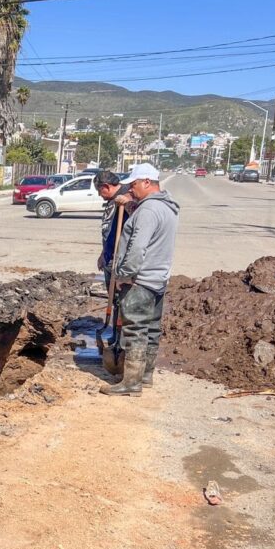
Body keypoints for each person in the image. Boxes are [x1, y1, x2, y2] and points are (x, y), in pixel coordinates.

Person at [100, 163, 179, 397]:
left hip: (139, 281)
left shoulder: (148, 211)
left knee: (135, 331)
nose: (130, 189)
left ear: (147, 182)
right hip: (158, 279)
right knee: (151, 329)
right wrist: (132, 204)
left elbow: (137, 248)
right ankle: (145, 375)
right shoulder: (168, 207)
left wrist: (123, 275)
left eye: (133, 185)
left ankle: (131, 383)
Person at [93, 170, 132, 291]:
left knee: (121, 298)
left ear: (106, 186)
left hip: (120, 259)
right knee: (114, 299)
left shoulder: (126, 194)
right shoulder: (112, 200)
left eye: (99, 191)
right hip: (109, 257)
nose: (99, 195)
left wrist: (129, 199)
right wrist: (103, 253)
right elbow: (109, 231)